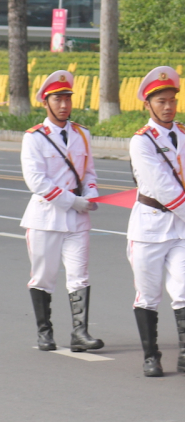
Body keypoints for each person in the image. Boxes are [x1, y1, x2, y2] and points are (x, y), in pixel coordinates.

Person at [127, 66, 185, 377]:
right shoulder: (142, 142)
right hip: (149, 227)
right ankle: (151, 355)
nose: (168, 106)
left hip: (181, 230)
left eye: (172, 100)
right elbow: (161, 186)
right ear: (147, 105)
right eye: (160, 101)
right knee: (148, 294)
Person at [21, 70, 104, 352]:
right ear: (45, 102)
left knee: (80, 276)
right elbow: (37, 182)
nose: (64, 105)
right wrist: (73, 201)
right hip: (45, 218)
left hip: (78, 220)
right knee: (44, 276)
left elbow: (89, 172)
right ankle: (45, 331)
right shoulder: (34, 137)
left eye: (67, 98)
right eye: (57, 99)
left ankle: (80, 333)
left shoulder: (83, 134)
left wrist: (91, 192)